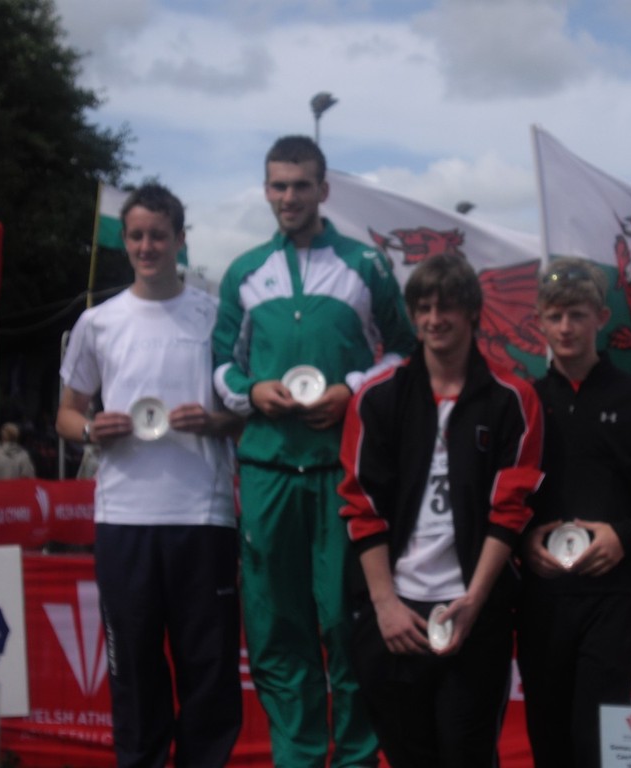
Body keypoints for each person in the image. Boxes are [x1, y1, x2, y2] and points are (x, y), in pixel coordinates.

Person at [212, 135, 416, 767]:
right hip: (268, 472)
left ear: (324, 190)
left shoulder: (366, 265)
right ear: (265, 190)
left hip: (342, 474)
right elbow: (220, 364)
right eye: (278, 185)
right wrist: (253, 391)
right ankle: (297, 757)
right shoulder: (245, 272)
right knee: (278, 628)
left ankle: (356, 759)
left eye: (301, 185)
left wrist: (352, 390)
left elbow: (403, 352)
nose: (289, 197)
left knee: (346, 625)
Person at [57, 183, 243, 767]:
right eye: (136, 236)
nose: (146, 246)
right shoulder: (98, 322)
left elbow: (242, 415)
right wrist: (93, 429)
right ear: (124, 240)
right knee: (134, 669)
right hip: (124, 517)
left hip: (203, 516)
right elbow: (66, 414)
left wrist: (213, 422)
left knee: (208, 671)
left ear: (180, 240)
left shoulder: (215, 316)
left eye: (158, 236)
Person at [338, 254, 544, 766]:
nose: (435, 319)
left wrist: (475, 601)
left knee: (468, 754)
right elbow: (361, 505)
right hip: (395, 614)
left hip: (472, 613)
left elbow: (510, 509)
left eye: (447, 307)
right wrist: (385, 604)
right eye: (424, 308)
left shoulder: (512, 399)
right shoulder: (376, 399)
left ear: (472, 312)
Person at [516, 257, 631, 768]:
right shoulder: (523, 403)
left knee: (597, 739)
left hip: (615, 596)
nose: (566, 327)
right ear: (539, 322)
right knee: (549, 738)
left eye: (577, 315)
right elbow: (502, 495)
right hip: (541, 598)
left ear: (600, 318)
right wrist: (524, 541)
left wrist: (625, 536)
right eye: (555, 316)